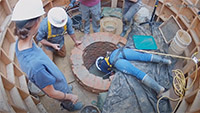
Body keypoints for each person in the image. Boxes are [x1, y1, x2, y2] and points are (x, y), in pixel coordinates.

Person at [12, 0, 83, 111]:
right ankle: (69, 105)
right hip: (57, 88)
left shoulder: (23, 41)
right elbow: (52, 93)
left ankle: (66, 89)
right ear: (36, 23)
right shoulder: (35, 67)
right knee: (65, 98)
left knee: (61, 71)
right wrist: (69, 96)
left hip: (58, 79)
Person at [96, 48, 172, 95]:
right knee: (143, 56)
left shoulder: (103, 67)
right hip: (119, 51)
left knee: (137, 73)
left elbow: (110, 72)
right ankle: (166, 61)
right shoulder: (109, 55)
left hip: (117, 62)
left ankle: (159, 88)